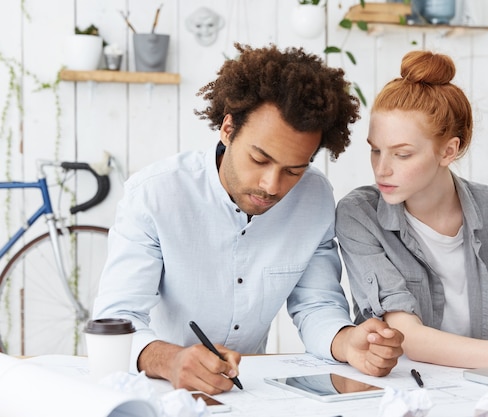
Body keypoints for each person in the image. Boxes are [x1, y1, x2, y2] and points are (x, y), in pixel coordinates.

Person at [92, 43, 403, 395]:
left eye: (293, 170)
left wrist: (347, 342)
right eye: (259, 159)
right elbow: (117, 320)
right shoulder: (155, 195)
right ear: (228, 129)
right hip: (154, 391)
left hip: (248, 393)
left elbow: (316, 304)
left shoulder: (314, 198)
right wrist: (171, 360)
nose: (272, 186)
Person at [335, 50, 488, 370]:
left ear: (448, 150)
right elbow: (405, 333)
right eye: (375, 150)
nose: (381, 169)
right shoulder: (359, 215)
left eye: (402, 154)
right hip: (401, 389)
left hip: (480, 390)